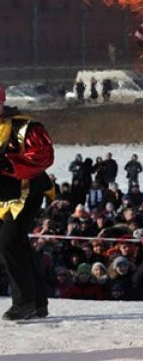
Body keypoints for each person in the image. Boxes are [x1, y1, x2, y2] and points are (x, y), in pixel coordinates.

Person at [0, 85, 55, 320]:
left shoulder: (26, 127)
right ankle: (38, 302)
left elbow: (44, 156)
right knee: (17, 244)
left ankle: (23, 302)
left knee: (8, 242)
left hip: (27, 192)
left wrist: (6, 163)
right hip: (3, 198)